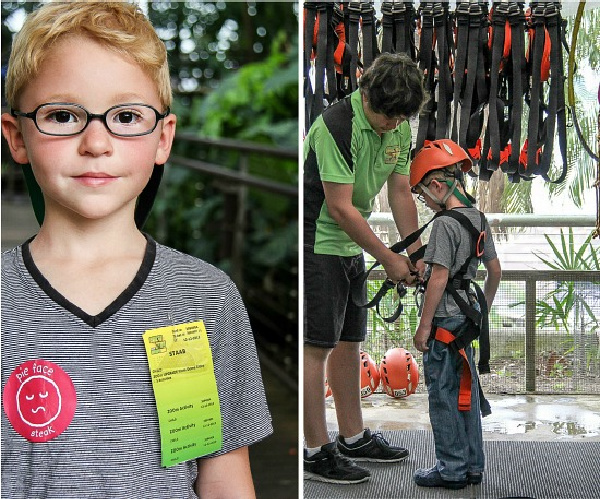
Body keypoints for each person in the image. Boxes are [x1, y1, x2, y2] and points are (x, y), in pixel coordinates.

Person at [0, 4, 272, 498]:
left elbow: (223, 477)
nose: (97, 142)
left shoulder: (203, 298)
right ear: (18, 137)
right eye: (62, 115)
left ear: (162, 138)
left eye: (126, 116)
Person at [303, 52, 428, 484]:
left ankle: (352, 437)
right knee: (314, 348)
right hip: (316, 240)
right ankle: (316, 451)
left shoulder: (399, 124)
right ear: (364, 92)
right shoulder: (336, 127)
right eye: (385, 115)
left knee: (348, 342)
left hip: (349, 242)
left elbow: (400, 193)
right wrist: (388, 258)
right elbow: (340, 208)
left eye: (399, 117)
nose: (391, 124)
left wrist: (413, 251)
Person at [409, 139, 502, 489]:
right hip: (466, 322)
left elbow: (439, 277)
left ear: (436, 185)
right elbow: (495, 271)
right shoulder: (478, 218)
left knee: (444, 396)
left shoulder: (445, 225)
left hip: (444, 324)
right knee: (468, 391)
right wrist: (482, 312)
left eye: (421, 194)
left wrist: (424, 326)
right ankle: (472, 466)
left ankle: (450, 468)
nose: (424, 201)